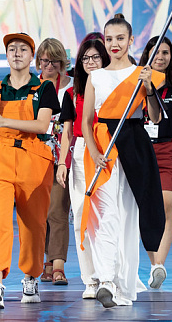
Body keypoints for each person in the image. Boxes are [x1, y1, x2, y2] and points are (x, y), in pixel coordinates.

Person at [0, 32, 61, 309]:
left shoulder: (44, 88)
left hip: (33, 159)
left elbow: (42, 126)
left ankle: (31, 278)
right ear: (6, 56)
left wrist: (3, 120)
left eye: (23, 49)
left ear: (32, 56)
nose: (17, 53)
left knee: (34, 225)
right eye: (12, 49)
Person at [81, 13, 166, 307]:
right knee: (106, 214)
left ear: (131, 40)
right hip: (103, 148)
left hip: (134, 144)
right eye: (109, 39)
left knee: (129, 217)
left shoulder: (143, 73)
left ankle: (124, 287)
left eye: (120, 38)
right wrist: (93, 151)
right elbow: (87, 121)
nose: (114, 44)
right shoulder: (96, 76)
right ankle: (106, 280)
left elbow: (155, 117)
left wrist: (149, 88)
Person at [137, 36, 172, 289]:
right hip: (141, 153)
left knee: (165, 208)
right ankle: (154, 265)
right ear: (147, 56)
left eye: (165, 53)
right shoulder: (135, 84)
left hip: (171, 152)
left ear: (171, 57)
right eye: (155, 52)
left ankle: (159, 264)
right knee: (147, 212)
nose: (160, 57)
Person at [55, 36, 110, 298]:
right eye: (85, 58)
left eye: (95, 57)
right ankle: (91, 280)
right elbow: (67, 133)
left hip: (109, 153)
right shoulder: (71, 94)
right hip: (80, 153)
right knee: (80, 218)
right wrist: (62, 163)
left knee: (107, 217)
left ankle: (109, 275)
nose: (90, 62)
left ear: (104, 59)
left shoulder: (114, 88)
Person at [35, 38, 73, 286]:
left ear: (62, 62)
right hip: (35, 155)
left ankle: (57, 264)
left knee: (58, 211)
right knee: (41, 213)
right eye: (45, 61)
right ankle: (46, 262)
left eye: (54, 61)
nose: (49, 66)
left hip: (63, 155)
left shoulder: (72, 86)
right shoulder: (31, 87)